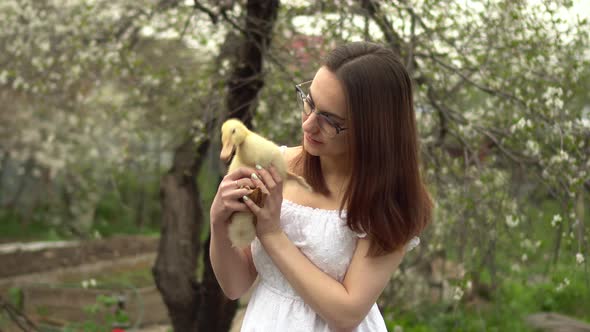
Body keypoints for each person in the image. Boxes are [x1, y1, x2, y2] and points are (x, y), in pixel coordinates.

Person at [209, 41, 433, 332]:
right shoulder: (273, 167)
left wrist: (272, 234)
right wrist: (218, 220)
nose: (308, 125)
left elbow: (347, 314)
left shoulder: (391, 200)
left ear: (374, 130)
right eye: (309, 102)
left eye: (329, 120)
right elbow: (235, 285)